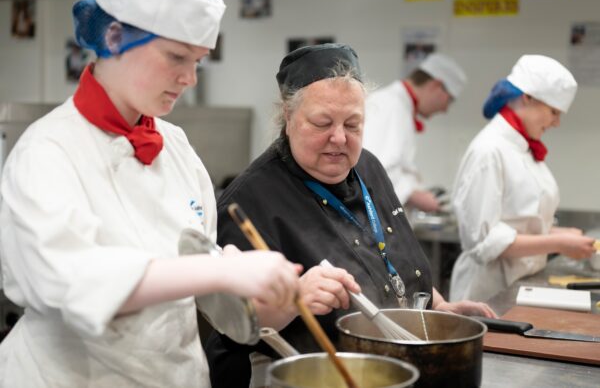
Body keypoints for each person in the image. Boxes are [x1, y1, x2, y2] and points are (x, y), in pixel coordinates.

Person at [0, 0, 300, 387]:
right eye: (177, 57)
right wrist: (219, 272)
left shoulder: (175, 145)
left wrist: (271, 295)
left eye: (198, 61)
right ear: (114, 37)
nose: (189, 78)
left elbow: (198, 283)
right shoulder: (46, 152)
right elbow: (75, 281)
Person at [204, 43, 496, 387]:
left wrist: (437, 310)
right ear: (288, 115)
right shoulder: (251, 202)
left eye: (353, 124)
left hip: (396, 370)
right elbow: (233, 328)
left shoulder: (368, 166)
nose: (339, 138)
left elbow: (393, 257)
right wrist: (294, 300)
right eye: (322, 122)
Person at [449, 55, 596, 303]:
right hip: (487, 292)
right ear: (527, 97)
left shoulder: (522, 148)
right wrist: (558, 242)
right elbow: (485, 242)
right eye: (554, 112)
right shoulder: (489, 150)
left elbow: (516, 219)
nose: (557, 123)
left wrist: (557, 232)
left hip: (519, 284)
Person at [363, 53, 467, 212]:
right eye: (449, 100)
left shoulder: (399, 106)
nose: (445, 109)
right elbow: (370, 167)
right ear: (436, 85)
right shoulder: (388, 105)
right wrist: (414, 195)